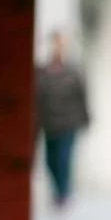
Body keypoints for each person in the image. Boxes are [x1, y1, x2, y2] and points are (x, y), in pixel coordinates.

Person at [36, 32, 90, 208]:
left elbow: (82, 96)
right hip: (49, 123)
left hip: (68, 123)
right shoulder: (43, 72)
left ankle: (63, 193)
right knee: (50, 161)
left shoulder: (73, 72)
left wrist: (85, 118)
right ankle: (59, 191)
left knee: (64, 158)